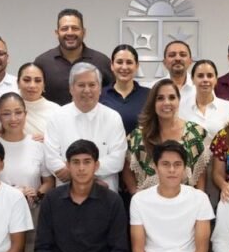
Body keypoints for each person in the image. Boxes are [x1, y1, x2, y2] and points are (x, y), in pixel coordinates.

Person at [0, 92, 55, 252]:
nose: (13, 118)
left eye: (18, 112)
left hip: (32, 209)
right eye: (6, 114)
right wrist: (13, 192)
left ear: (25, 114)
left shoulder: (38, 145)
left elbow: (49, 182)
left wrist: (37, 193)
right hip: (0, 212)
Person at [44, 63, 127, 191]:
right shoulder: (56, 117)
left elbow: (117, 159)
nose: (87, 90)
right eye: (81, 85)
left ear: (100, 88)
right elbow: (51, 158)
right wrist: (85, 173)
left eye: (92, 85)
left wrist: (77, 172)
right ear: (71, 88)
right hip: (66, 193)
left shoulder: (113, 117)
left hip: (105, 193)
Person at [123, 79, 208, 193]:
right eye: (160, 98)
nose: (167, 102)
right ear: (153, 103)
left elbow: (200, 172)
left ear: (179, 100)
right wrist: (136, 195)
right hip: (149, 200)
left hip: (186, 200)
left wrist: (200, 197)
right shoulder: (138, 136)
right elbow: (127, 170)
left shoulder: (194, 133)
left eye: (172, 97)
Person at [34, 8, 114, 105]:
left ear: (84, 32)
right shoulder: (43, 63)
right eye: (64, 29)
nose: (70, 33)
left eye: (75, 28)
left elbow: (113, 95)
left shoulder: (102, 62)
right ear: (57, 33)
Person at [179, 59, 229, 146]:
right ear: (192, 79)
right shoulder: (181, 108)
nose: (205, 79)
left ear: (216, 79)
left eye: (210, 76)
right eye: (200, 76)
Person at [100, 44, 150, 135]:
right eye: (119, 62)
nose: (124, 67)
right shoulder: (100, 95)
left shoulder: (149, 95)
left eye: (129, 62)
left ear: (137, 66)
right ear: (112, 65)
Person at [17, 62, 62, 138]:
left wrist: (48, 139)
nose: (32, 85)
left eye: (37, 81)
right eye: (27, 80)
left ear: (44, 85)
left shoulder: (56, 110)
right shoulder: (7, 106)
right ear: (18, 83)